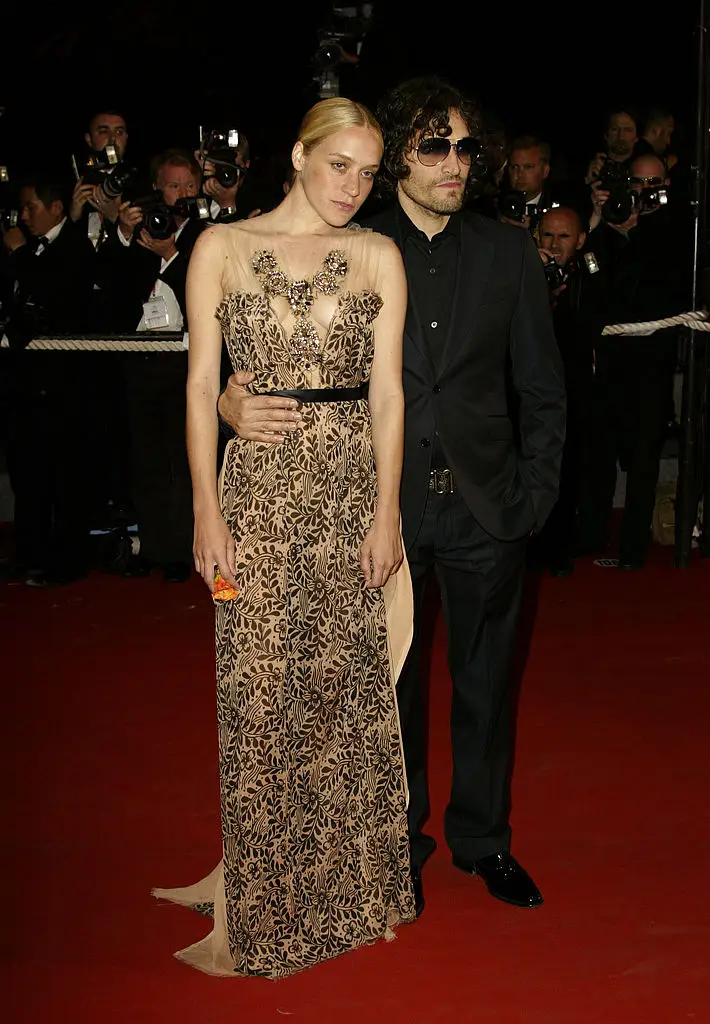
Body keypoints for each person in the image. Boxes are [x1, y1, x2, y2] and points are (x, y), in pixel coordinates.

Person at [219, 77, 566, 912]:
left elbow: (543, 389)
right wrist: (233, 401)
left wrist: (534, 498)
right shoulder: (351, 241)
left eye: (464, 147)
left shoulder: (509, 251)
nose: (455, 162)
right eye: (434, 146)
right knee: (389, 686)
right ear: (400, 155)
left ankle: (482, 840)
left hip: (490, 507)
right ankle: (394, 840)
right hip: (379, 506)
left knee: (487, 685)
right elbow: (258, 341)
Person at [152, 97, 415, 977]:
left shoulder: (379, 254)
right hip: (258, 496)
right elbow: (199, 387)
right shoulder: (223, 248)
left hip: (348, 496)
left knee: (346, 694)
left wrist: (387, 512)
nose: (355, 185)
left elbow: (386, 395)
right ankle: (266, 905)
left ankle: (352, 892)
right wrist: (204, 508)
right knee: (260, 697)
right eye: (340, 163)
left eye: (370, 171)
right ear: (300, 157)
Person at [1, 172, 96, 585]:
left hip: (65, 384)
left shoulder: (75, 247)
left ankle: (68, 561)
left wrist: (21, 256)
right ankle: (29, 552)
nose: (23, 216)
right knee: (28, 473)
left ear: (56, 208)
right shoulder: (20, 249)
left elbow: (57, 299)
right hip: (24, 383)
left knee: (65, 476)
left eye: (31, 207)